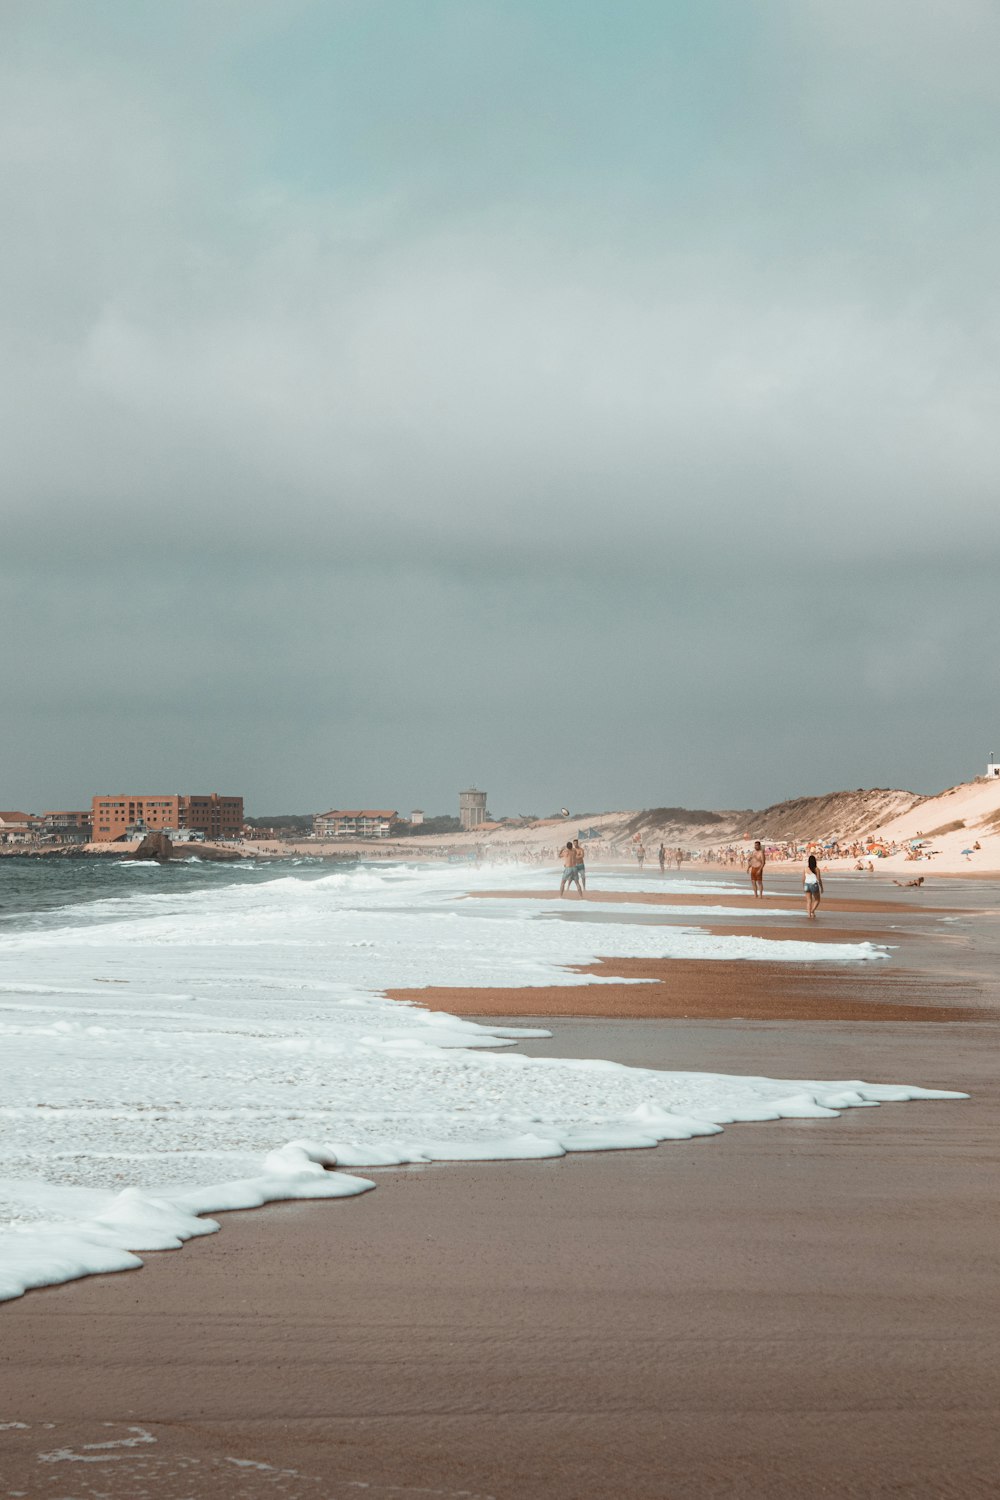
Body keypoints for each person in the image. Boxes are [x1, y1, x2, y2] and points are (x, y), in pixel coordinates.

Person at [803, 853, 823, 919]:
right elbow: (818, 879)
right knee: (817, 900)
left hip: (806, 884)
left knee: (809, 901)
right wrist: (821, 887)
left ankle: (809, 915)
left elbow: (803, 878)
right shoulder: (817, 869)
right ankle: (812, 911)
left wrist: (804, 886)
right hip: (814, 885)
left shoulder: (805, 868)